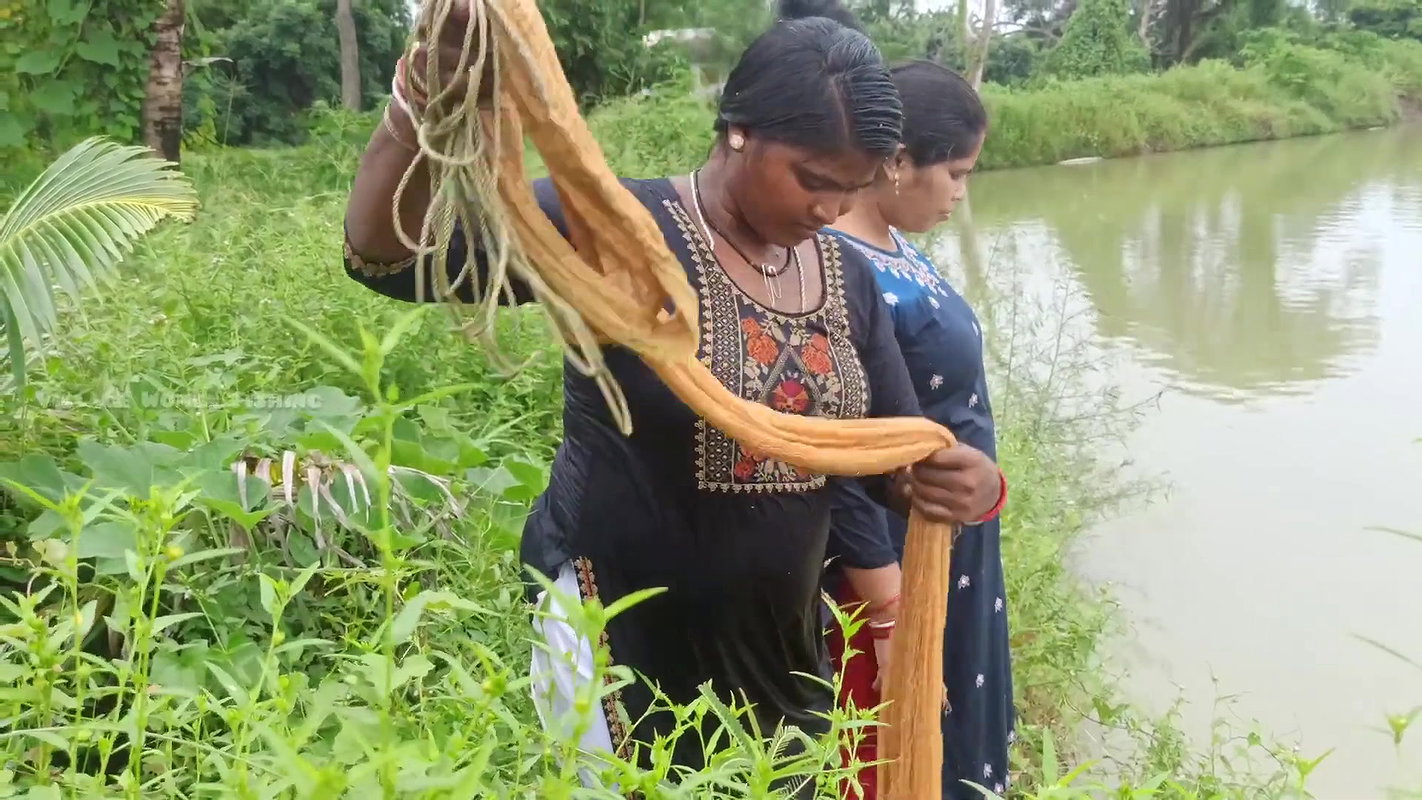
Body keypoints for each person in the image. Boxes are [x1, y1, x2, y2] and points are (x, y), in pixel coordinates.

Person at [340, 0, 1005, 790]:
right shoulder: (616, 230)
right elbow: (389, 255)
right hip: (621, 636)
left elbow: (883, 454)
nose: (830, 209)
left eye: (852, 189)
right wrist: (423, 97)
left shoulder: (845, 274)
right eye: (814, 181)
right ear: (739, 131)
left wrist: (958, 480)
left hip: (779, 658)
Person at [821, 61, 1015, 799]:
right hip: (893, 549)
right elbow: (842, 445)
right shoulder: (839, 263)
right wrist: (887, 602)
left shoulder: (896, 247)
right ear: (897, 162)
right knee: (897, 739)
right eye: (957, 173)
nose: (961, 194)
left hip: (951, 537)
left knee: (953, 719)